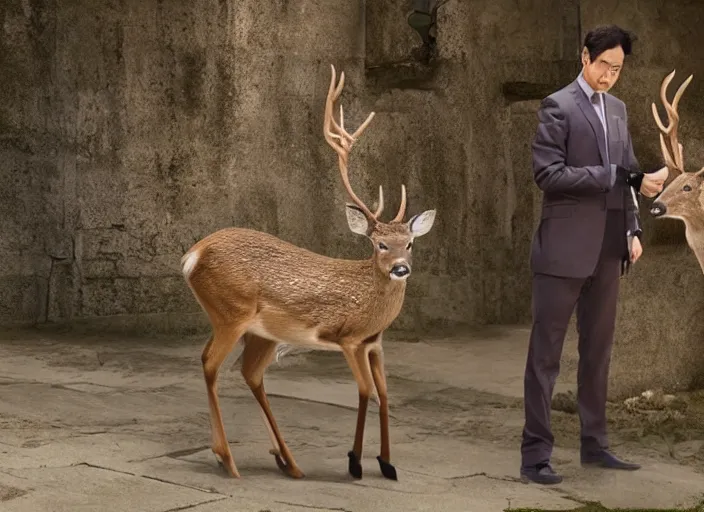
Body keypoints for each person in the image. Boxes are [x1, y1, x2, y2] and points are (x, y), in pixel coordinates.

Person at [519, 24, 669, 485]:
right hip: (563, 250)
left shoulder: (619, 110)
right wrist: (616, 175)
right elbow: (549, 175)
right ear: (585, 58)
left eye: (617, 68)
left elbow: (626, 180)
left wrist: (633, 227)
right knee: (545, 357)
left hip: (609, 250)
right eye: (603, 64)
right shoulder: (558, 106)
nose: (608, 75)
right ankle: (535, 457)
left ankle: (595, 445)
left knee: (598, 353)